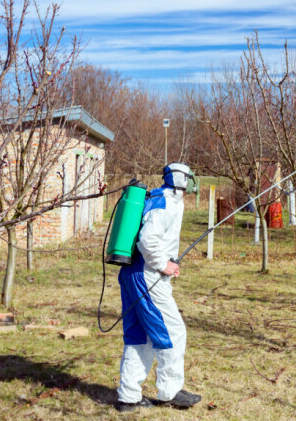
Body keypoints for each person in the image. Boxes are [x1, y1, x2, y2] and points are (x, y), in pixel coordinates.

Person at [115, 163, 202, 412]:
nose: (193, 181)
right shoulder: (166, 202)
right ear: (180, 179)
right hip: (146, 274)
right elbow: (147, 239)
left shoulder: (160, 197)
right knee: (172, 331)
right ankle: (170, 391)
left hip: (132, 273)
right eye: (189, 176)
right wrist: (164, 265)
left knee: (138, 336)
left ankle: (128, 397)